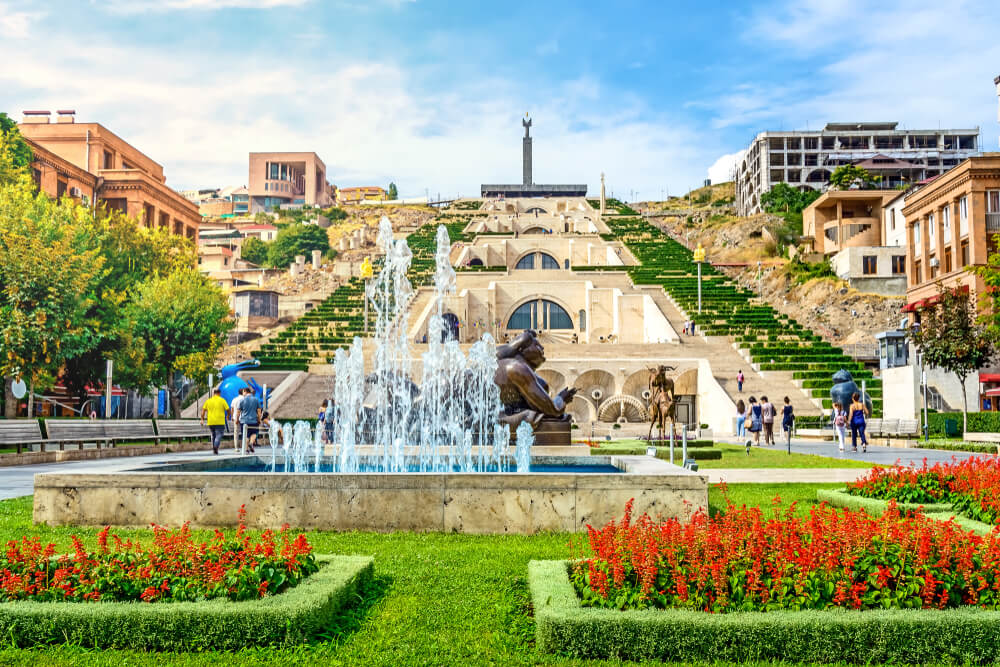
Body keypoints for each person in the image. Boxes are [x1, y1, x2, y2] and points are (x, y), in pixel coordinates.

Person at [200, 388, 230, 455]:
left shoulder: (208, 401)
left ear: (214, 393)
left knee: (213, 435)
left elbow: (203, 410)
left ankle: (214, 449)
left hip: (210, 421)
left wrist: (202, 419)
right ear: (219, 393)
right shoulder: (222, 400)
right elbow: (228, 409)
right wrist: (228, 416)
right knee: (219, 435)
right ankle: (215, 446)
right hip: (220, 421)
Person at [230, 387, 247, 451]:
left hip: (235, 418)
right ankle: (244, 447)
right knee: (244, 432)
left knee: (236, 433)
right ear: (243, 392)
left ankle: (236, 447)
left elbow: (232, 409)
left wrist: (232, 416)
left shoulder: (234, 399)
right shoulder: (245, 399)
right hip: (243, 418)